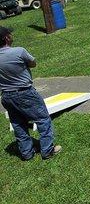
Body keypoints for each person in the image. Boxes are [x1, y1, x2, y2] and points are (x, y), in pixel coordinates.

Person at [0, 26, 62, 160]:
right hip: (25, 93)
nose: (11, 35)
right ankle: (47, 151)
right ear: (6, 38)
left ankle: (27, 153)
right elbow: (33, 63)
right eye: (10, 34)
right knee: (43, 119)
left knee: (18, 124)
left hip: (6, 96)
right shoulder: (19, 51)